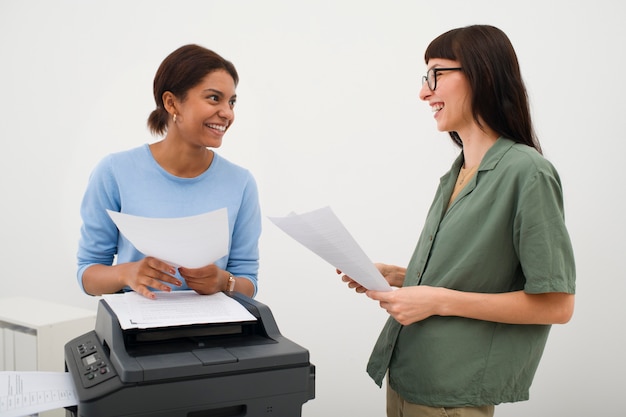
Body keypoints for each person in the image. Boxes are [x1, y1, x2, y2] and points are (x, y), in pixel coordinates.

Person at [339, 25, 575, 417]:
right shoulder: (458, 172)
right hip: (409, 376)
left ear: (482, 73)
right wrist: (401, 275)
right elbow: (475, 271)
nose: (423, 92)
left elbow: (556, 304)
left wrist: (436, 300)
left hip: (452, 393)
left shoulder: (528, 172)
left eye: (436, 74)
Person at [77, 44, 261, 300]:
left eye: (231, 102)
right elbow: (88, 274)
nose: (227, 113)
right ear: (171, 103)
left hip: (214, 332)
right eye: (213, 98)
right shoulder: (114, 172)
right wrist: (126, 273)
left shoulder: (241, 183)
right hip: (138, 331)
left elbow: (248, 281)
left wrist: (223, 281)